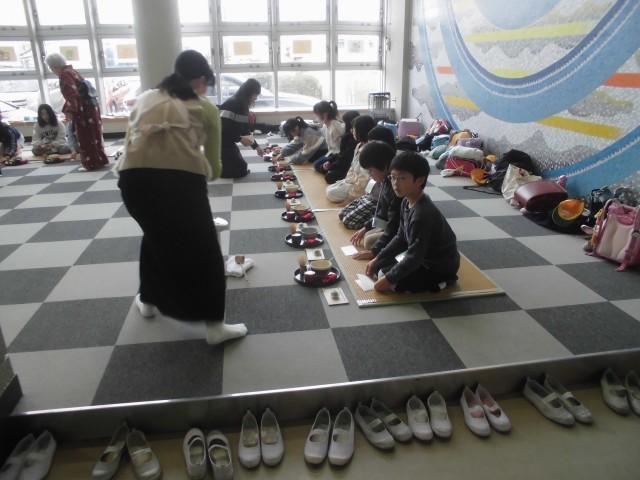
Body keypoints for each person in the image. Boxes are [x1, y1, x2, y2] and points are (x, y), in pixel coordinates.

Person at [115, 50, 247, 346]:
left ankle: (148, 301)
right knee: (207, 253)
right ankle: (215, 328)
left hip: (133, 183)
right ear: (200, 80)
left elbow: (128, 146)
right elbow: (213, 169)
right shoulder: (205, 108)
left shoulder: (145, 99)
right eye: (207, 84)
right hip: (180, 184)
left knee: (154, 237)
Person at [365, 151, 460, 293]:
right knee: (379, 267)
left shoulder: (422, 215)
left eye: (402, 178)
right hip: (421, 256)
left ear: (420, 180)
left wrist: (388, 279)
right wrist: (378, 258)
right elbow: (401, 237)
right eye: (393, 177)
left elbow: (414, 257)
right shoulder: (406, 202)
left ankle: (444, 281)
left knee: (389, 281)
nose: (395, 183)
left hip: (437, 266)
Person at [45, 52, 109, 171]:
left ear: (53, 66)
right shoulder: (72, 71)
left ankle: (91, 163)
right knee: (94, 135)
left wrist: (70, 111)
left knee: (85, 136)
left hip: (84, 109)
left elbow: (72, 94)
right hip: (91, 106)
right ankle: (100, 160)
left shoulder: (65, 74)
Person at [349, 141, 402, 260]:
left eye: (371, 170)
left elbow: (394, 226)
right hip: (391, 224)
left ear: (384, 167)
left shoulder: (396, 189)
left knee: (369, 242)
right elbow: (382, 213)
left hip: (399, 230)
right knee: (367, 236)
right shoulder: (386, 181)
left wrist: (374, 252)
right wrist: (366, 227)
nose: (370, 174)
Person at [219, 78, 278, 178]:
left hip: (229, 141)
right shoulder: (231, 104)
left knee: (242, 167)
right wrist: (239, 138)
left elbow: (245, 130)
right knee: (239, 170)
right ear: (248, 93)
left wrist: (256, 147)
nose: (256, 98)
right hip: (219, 141)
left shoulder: (243, 107)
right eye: (255, 95)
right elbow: (222, 129)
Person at [324, 117, 380, 205]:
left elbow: (364, 178)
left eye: (353, 130)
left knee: (331, 193)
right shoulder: (358, 145)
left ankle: (357, 197)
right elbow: (352, 166)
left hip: (362, 185)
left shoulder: (369, 150)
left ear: (361, 131)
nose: (352, 132)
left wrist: (351, 198)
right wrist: (348, 180)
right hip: (353, 180)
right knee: (329, 189)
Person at [322, 109, 359, 184]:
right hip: (341, 160)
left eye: (345, 122)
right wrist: (330, 161)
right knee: (323, 167)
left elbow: (345, 158)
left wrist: (332, 166)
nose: (343, 125)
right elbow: (341, 153)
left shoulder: (353, 138)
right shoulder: (347, 135)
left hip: (349, 166)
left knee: (329, 177)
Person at [312, 100, 345, 174]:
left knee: (320, 167)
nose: (316, 117)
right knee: (316, 165)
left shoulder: (335, 125)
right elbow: (330, 146)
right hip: (332, 152)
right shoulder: (324, 126)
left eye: (317, 115)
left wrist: (331, 159)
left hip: (339, 154)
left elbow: (341, 147)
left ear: (325, 114)